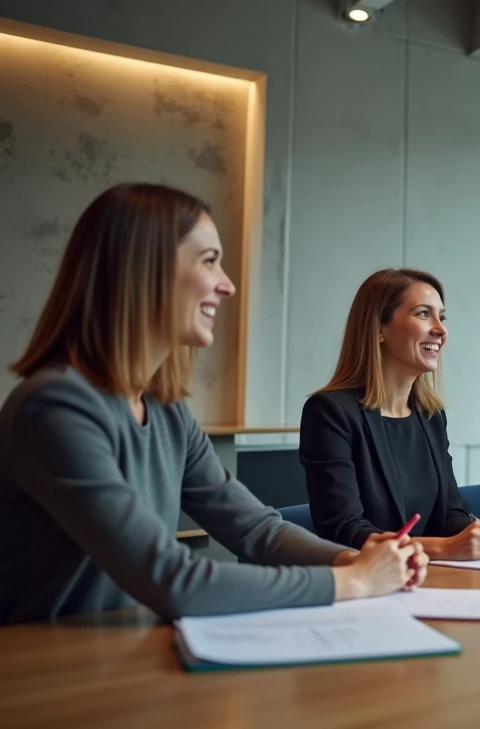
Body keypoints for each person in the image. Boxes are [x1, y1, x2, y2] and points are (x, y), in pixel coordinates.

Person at [0, 184, 425, 625]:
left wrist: (351, 559)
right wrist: (354, 582)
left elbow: (257, 530)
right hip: (45, 674)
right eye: (209, 262)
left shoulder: (167, 411)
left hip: (127, 656)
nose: (228, 285)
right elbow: (174, 581)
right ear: (146, 272)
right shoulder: (54, 409)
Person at [301, 268, 480, 560]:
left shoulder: (431, 416)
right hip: (368, 585)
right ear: (378, 329)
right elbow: (345, 530)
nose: (441, 330)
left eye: (442, 317)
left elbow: (449, 513)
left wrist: (474, 532)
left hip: (433, 578)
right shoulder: (330, 412)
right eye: (424, 314)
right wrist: (444, 548)